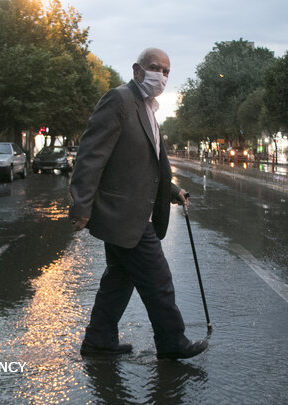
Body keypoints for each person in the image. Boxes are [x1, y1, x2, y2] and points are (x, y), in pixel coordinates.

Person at [69, 48, 208, 360]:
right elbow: (90, 155)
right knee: (158, 281)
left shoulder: (147, 108)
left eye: (167, 71)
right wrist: (81, 205)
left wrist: (172, 190)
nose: (161, 75)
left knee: (119, 280)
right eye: (155, 67)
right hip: (124, 214)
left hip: (135, 212)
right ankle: (173, 342)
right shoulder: (119, 100)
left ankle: (99, 340)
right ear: (137, 70)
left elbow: (145, 165)